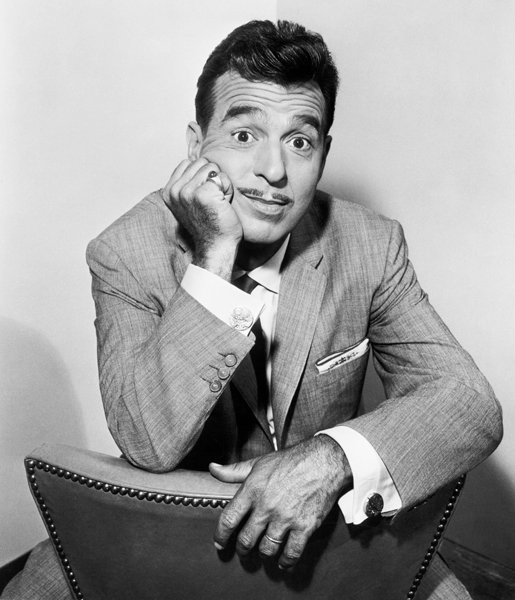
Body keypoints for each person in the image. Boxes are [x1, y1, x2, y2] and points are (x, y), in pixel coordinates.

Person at [3, 19, 502, 600]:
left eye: (300, 142)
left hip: (328, 519)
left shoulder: (370, 243)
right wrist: (214, 255)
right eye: (244, 135)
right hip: (174, 517)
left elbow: (469, 404)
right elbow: (148, 442)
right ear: (196, 146)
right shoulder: (125, 252)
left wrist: (328, 460)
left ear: (323, 154)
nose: (274, 171)